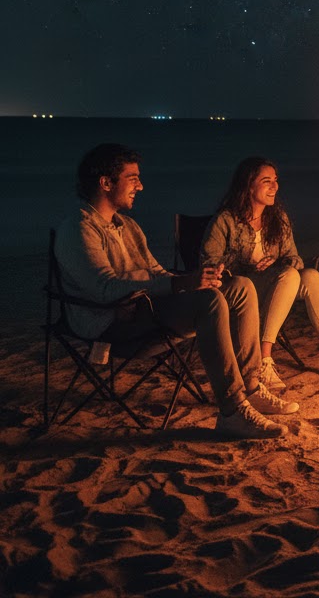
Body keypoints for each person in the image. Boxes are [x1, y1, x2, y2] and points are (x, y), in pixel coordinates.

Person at [54, 144, 296, 439]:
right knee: (208, 302)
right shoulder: (79, 230)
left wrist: (194, 278)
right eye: (132, 178)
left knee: (239, 286)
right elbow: (104, 290)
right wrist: (179, 285)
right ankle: (232, 410)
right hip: (113, 324)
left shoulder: (127, 226)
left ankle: (251, 386)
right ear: (106, 183)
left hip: (145, 310)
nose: (140, 186)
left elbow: (157, 272)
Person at [201, 157, 319, 391]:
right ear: (248, 185)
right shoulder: (226, 220)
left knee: (310, 276)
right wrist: (242, 266)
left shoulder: (277, 219)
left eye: (276, 181)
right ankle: (263, 360)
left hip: (277, 285)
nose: (275, 187)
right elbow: (209, 260)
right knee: (290, 275)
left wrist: (277, 261)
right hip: (243, 291)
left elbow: (295, 258)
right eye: (266, 181)